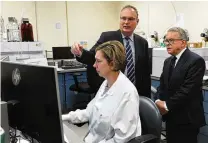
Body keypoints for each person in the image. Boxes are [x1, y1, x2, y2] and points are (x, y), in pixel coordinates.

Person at [62, 41, 141, 143]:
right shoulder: (106, 84)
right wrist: (64, 117)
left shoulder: (127, 93)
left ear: (112, 64)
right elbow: (90, 111)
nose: (94, 65)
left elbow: (122, 139)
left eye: (98, 61)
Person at [71, 5, 151, 98]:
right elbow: (93, 57)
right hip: (111, 91)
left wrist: (147, 97)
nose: (126, 22)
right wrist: (79, 52)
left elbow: (145, 72)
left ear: (137, 21)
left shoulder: (142, 42)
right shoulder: (107, 37)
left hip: (134, 92)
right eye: (123, 18)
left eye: (130, 19)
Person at [155, 27, 205, 143]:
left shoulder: (195, 61)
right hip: (171, 117)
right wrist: (158, 101)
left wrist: (166, 105)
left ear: (183, 42)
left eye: (171, 40)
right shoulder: (168, 61)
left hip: (187, 119)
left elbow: (188, 90)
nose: (167, 43)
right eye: (166, 40)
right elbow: (162, 85)